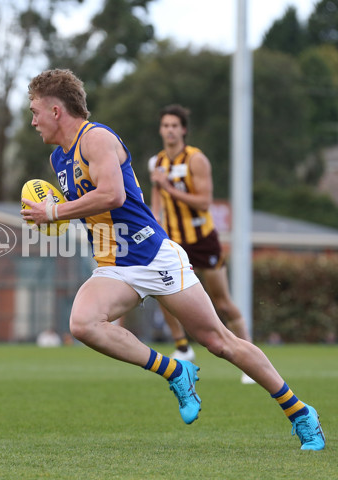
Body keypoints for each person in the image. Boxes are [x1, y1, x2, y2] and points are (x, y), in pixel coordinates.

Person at [21, 68, 325, 450]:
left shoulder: (95, 138)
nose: (32, 121)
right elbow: (88, 207)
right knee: (82, 324)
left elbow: (113, 195)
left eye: (34, 111)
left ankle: (300, 412)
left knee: (219, 342)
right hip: (115, 266)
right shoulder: (57, 160)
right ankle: (175, 369)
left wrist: (54, 213)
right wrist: (56, 210)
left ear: (55, 110)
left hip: (153, 256)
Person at [149, 104, 254, 384]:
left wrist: (169, 187)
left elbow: (205, 202)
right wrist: (153, 225)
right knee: (160, 290)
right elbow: (155, 203)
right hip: (173, 240)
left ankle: (249, 361)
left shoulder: (196, 160)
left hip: (203, 240)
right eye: (165, 125)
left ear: (183, 130)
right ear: (160, 130)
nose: (169, 130)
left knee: (222, 302)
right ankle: (182, 346)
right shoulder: (157, 162)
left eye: (174, 125)